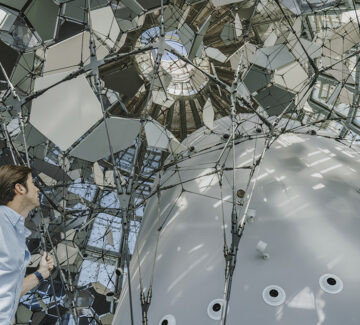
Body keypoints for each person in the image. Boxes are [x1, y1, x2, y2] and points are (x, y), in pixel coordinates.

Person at [0, 164, 54, 324]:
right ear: (19, 188)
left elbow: (9, 291)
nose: (38, 189)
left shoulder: (14, 232)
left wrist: (40, 274)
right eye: (32, 183)